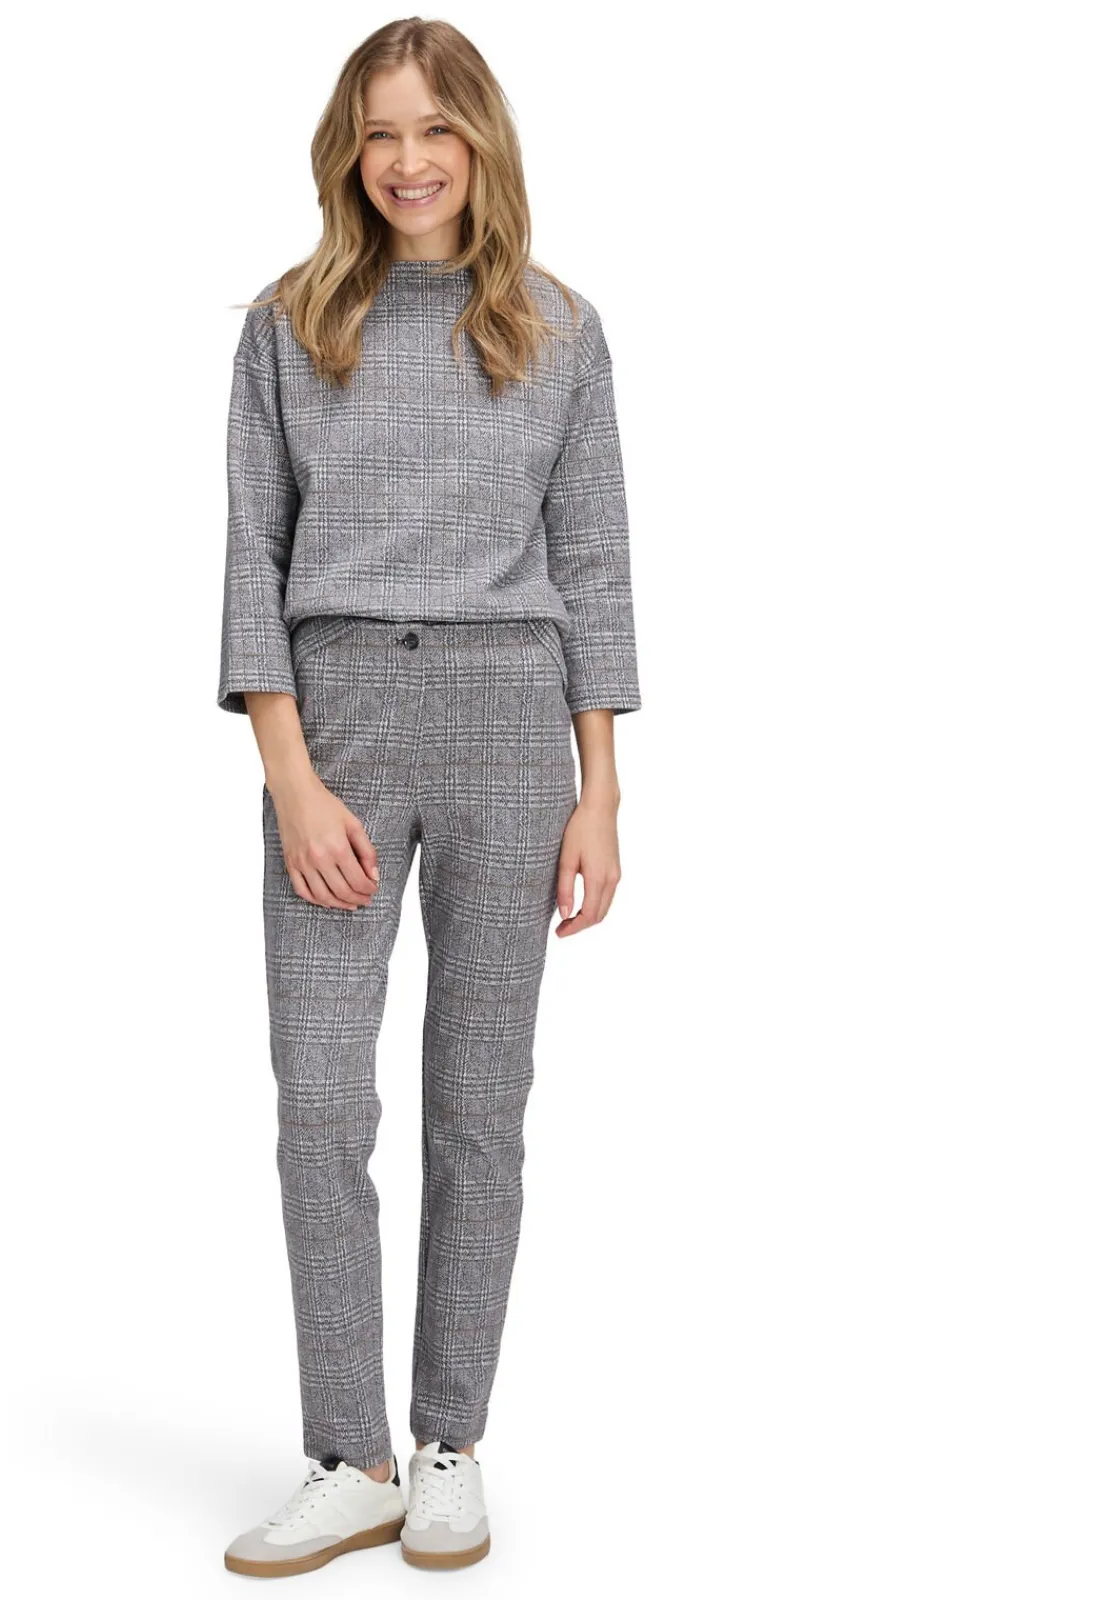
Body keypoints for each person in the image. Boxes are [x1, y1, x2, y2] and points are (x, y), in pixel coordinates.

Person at [217, 18, 642, 1578]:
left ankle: (450, 1439)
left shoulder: (558, 328)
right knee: (322, 1104)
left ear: (481, 142)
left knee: (479, 1107)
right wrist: (289, 771)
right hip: (336, 727)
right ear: (349, 150)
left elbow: (593, 561)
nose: (408, 161)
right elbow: (252, 555)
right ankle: (353, 1456)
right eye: (381, 132)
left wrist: (601, 793)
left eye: (435, 130)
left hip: (509, 731)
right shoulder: (288, 325)